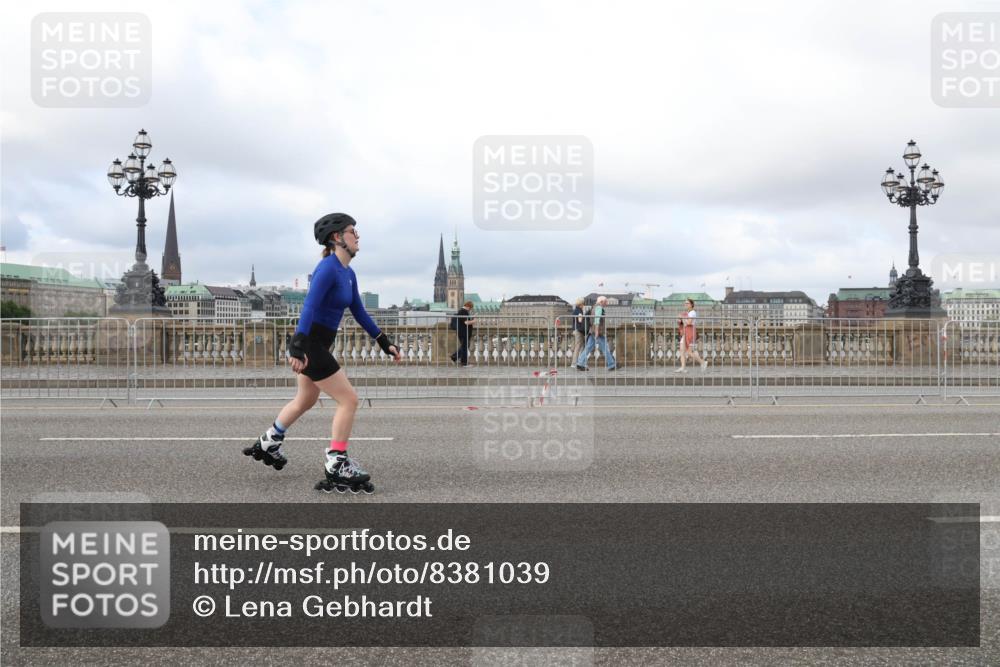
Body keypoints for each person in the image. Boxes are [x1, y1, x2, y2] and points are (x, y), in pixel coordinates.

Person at [243, 213, 401, 494]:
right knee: (349, 400)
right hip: (312, 344)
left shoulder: (348, 273)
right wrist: (298, 346)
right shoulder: (327, 268)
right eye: (353, 231)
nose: (358, 236)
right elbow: (310, 306)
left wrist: (383, 340)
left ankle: (270, 441)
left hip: (318, 343)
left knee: (305, 398)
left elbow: (359, 311)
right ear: (337, 238)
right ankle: (337, 461)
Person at [576, 295, 616, 371]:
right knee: (604, 348)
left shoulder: (594, 307)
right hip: (597, 331)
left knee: (588, 348)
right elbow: (597, 320)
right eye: (606, 301)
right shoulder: (599, 308)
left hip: (593, 331)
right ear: (601, 302)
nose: (607, 303)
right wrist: (597, 331)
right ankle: (611, 365)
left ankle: (580, 363)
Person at [676, 298, 708, 373]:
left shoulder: (693, 312)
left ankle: (703, 362)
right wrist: (680, 320)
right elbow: (684, 322)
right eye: (685, 303)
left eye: (687, 303)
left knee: (689, 352)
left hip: (690, 332)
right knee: (682, 351)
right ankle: (683, 367)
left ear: (691, 304)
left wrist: (682, 317)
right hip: (685, 332)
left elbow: (689, 322)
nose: (685, 304)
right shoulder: (687, 312)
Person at [450, 300, 476, 366]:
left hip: (463, 332)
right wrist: (474, 321)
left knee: (464, 347)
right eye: (470, 308)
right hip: (464, 332)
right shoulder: (462, 311)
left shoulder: (463, 311)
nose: (470, 309)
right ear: (467, 306)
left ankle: (458, 359)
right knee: (464, 347)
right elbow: (466, 322)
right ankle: (460, 361)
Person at [571, 298, 586, 365]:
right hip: (579, 330)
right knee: (578, 346)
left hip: (575, 329)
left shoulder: (575, 310)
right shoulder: (579, 311)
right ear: (581, 304)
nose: (584, 305)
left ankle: (580, 362)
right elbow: (580, 320)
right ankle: (575, 363)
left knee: (581, 346)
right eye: (583, 304)